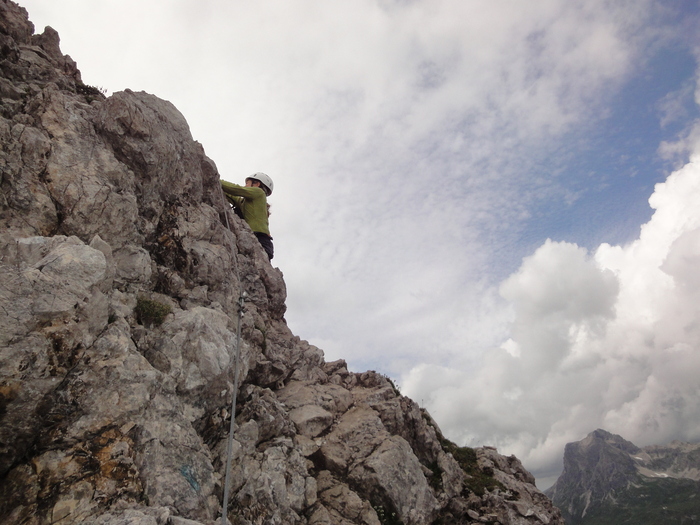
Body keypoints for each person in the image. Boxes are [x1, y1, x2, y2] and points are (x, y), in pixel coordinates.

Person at [221, 172, 274, 260]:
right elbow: (232, 196)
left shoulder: (259, 192)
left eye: (247, 183)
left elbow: (236, 189)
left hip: (260, 239)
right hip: (258, 239)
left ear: (257, 184)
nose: (245, 186)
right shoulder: (245, 202)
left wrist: (215, 177)